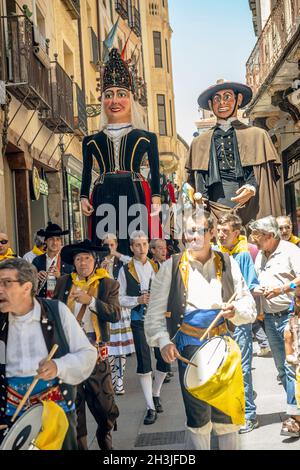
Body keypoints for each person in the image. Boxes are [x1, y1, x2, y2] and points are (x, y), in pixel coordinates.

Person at [145, 210, 257, 450]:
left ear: (212, 233)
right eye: (188, 232)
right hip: (190, 350)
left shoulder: (228, 262)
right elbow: (154, 314)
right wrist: (163, 341)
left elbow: (249, 306)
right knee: (198, 417)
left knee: (226, 415)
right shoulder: (170, 267)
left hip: (224, 350)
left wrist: (234, 309)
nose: (192, 237)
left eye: (199, 231)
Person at [0, 259, 97, 450]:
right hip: (10, 415)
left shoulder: (56, 311)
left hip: (56, 412)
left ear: (27, 287)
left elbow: (87, 353)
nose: (0, 289)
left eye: (6, 283)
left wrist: (58, 366)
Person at [80, 48, 161, 256]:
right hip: (103, 192)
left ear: (130, 98)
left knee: (136, 238)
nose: (114, 101)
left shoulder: (147, 137)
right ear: (103, 101)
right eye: (109, 95)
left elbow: (155, 170)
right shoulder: (90, 141)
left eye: (121, 94)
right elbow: (87, 173)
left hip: (134, 190)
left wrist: (156, 196)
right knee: (104, 240)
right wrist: (82, 197)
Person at [53, 240, 120, 450]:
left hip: (95, 353)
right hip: (69, 354)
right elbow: (53, 312)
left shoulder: (107, 284)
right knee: (75, 410)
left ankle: (105, 437)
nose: (83, 263)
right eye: (79, 259)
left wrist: (89, 301)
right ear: (73, 262)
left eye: (87, 258)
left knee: (105, 409)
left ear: (95, 261)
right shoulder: (64, 282)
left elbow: (115, 314)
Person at [186, 80, 283, 224]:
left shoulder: (258, 135)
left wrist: (252, 187)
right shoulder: (199, 142)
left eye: (227, 97)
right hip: (214, 208)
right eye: (217, 99)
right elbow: (193, 183)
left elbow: (266, 179)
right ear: (211, 104)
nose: (222, 103)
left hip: (252, 206)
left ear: (239, 99)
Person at [249, 216, 300, 437]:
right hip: (269, 318)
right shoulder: (260, 254)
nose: (254, 240)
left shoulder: (290, 251)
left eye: (258, 236)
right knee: (282, 370)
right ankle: (295, 411)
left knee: (292, 368)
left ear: (270, 236)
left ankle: (294, 418)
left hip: (290, 318)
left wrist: (281, 289)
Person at [118, 231, 169, 425]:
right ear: (131, 247)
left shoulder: (157, 266)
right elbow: (119, 297)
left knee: (164, 361)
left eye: (145, 244)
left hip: (158, 319)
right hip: (138, 320)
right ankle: (150, 407)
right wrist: (137, 300)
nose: (142, 248)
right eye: (137, 245)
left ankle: (155, 393)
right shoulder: (125, 270)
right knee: (144, 363)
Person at [216, 213, 261, 433]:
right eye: (219, 230)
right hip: (220, 320)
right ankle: (233, 409)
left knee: (243, 368)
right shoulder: (216, 253)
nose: (221, 234)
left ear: (236, 233)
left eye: (225, 231)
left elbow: (250, 287)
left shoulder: (242, 254)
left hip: (239, 319)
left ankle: (249, 415)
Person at [101, 234, 135, 395]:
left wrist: (116, 255)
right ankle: (111, 379)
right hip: (105, 308)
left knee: (120, 348)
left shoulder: (122, 262)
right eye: (106, 244)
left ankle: (119, 381)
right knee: (108, 347)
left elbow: (134, 262)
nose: (109, 247)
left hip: (121, 308)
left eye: (112, 244)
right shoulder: (98, 262)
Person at [32, 223, 73, 299]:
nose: (54, 243)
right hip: (43, 302)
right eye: (51, 239)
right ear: (46, 241)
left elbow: (74, 281)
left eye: (57, 239)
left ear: (61, 242)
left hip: (62, 300)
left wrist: (60, 276)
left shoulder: (68, 261)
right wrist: (36, 277)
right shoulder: (37, 261)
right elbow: (29, 283)